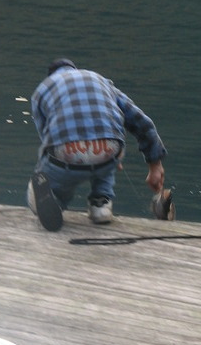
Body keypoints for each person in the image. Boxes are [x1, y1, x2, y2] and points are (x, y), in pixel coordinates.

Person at [27, 59, 167, 231]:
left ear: (51, 75)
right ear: (75, 69)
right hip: (110, 148)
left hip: (66, 153)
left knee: (46, 176)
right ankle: (101, 204)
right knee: (106, 155)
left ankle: (55, 199)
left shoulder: (42, 90)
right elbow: (142, 123)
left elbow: (46, 137)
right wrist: (155, 165)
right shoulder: (100, 80)